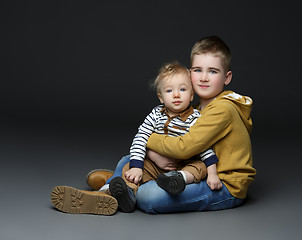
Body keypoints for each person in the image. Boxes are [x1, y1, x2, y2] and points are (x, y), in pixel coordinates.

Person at [87, 35, 256, 214]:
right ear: (190, 73)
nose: (204, 77)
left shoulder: (222, 109)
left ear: (227, 77)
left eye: (213, 71)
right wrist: (152, 155)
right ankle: (111, 188)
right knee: (128, 159)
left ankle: (126, 185)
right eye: (198, 70)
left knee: (148, 197)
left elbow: (184, 148)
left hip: (222, 184)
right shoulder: (196, 108)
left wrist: (149, 142)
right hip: (195, 169)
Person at [51, 61, 221, 214]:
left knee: (200, 167)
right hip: (155, 165)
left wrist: (212, 174)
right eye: (170, 91)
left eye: (182, 90)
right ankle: (123, 195)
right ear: (161, 97)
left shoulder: (196, 118)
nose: (176, 95)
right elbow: (140, 138)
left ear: (191, 95)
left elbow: (204, 146)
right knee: (128, 167)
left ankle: (178, 180)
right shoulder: (155, 115)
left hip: (183, 164)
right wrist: (137, 167)